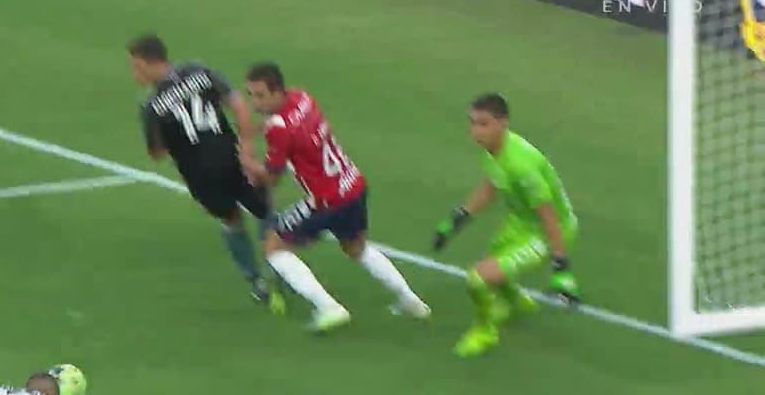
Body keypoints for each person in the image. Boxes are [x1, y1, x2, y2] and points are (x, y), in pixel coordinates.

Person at [241, 62, 430, 332]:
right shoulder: (302, 98)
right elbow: (288, 126)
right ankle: (411, 301)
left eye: (260, 95)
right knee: (356, 248)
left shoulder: (279, 129)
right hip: (352, 184)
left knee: (274, 246)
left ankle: (329, 308)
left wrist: (246, 161)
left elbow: (271, 178)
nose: (254, 102)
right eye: (250, 95)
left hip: (325, 201)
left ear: (277, 92)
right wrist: (260, 128)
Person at [129, 35, 284, 311]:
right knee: (265, 209)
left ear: (147, 63)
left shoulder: (151, 107)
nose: (134, 74)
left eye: (136, 67)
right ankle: (280, 267)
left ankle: (256, 280)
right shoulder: (199, 71)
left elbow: (156, 153)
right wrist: (247, 147)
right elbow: (239, 106)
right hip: (231, 157)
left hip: (200, 176)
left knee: (231, 220)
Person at [431, 93, 581, 357]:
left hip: (547, 232)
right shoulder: (493, 152)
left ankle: (485, 332)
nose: (476, 131)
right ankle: (515, 301)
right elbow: (491, 187)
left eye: (483, 124)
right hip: (522, 223)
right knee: (495, 256)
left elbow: (549, 216)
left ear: (503, 124)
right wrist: (456, 220)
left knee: (478, 278)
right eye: (472, 123)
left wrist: (561, 267)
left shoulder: (522, 167)